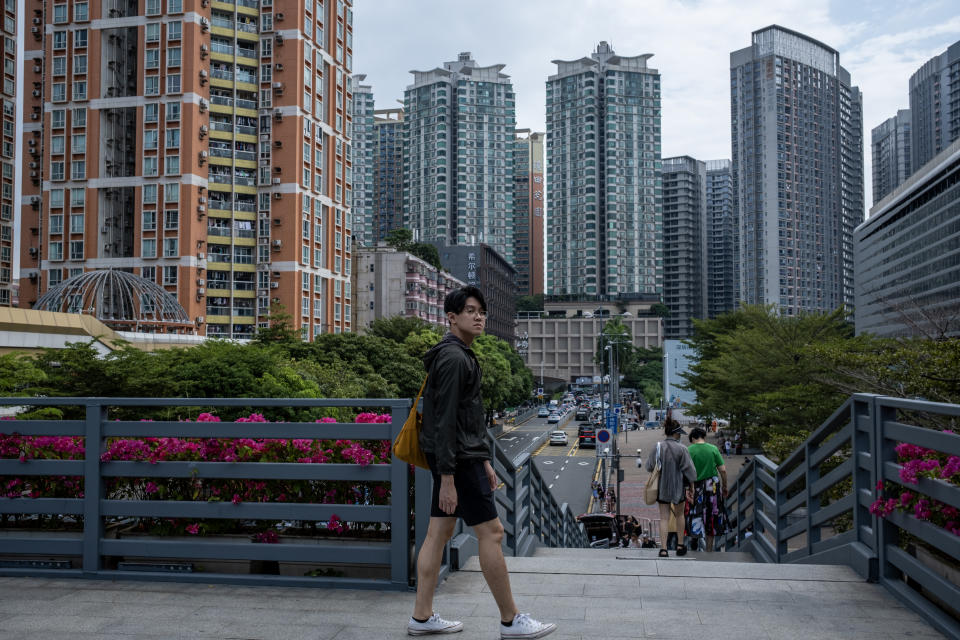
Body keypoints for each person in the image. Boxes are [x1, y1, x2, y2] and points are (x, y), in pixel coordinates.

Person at [409, 287, 556, 639]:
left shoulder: (456, 355)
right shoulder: (455, 359)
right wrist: (447, 477)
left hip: (461, 457)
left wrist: (485, 461)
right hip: (456, 461)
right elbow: (443, 421)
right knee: (492, 532)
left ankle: (422, 616)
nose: (479, 317)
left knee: (438, 533)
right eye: (470, 311)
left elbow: (464, 419)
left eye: (482, 312)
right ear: (451, 317)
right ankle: (511, 620)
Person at [645, 418, 697, 557]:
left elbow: (649, 466)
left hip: (662, 488)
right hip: (679, 488)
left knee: (664, 518)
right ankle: (680, 546)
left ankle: (663, 549)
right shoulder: (682, 449)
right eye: (679, 433)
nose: (680, 435)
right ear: (675, 433)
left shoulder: (657, 447)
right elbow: (690, 472)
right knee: (680, 515)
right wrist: (691, 487)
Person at [685, 426, 729, 554]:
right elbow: (723, 470)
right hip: (712, 486)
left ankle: (694, 543)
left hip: (696, 486)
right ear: (703, 437)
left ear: (693, 438)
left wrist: (688, 489)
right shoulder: (713, 449)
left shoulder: (689, 450)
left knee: (695, 513)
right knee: (712, 516)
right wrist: (725, 486)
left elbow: (686, 472)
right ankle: (709, 550)